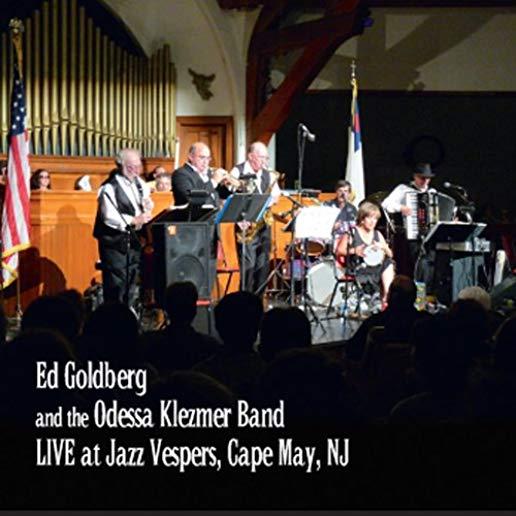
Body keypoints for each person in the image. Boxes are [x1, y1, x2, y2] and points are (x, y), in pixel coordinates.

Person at [93, 148, 153, 307]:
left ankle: (129, 314)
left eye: (138, 166)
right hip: (114, 243)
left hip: (134, 240)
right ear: (120, 165)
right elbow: (109, 216)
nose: (136, 170)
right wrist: (134, 219)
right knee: (117, 285)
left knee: (132, 282)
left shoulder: (140, 183)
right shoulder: (109, 188)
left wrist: (147, 206)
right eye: (131, 166)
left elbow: (145, 201)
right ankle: (115, 316)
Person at [228, 141, 281, 295]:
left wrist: (266, 202)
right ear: (251, 156)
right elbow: (229, 196)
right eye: (262, 157)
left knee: (262, 266)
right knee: (248, 267)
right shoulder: (237, 171)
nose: (265, 161)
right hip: (245, 225)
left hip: (263, 224)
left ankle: (259, 299)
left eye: (266, 158)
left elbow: (276, 195)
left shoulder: (268, 174)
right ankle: (245, 300)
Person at [381, 162, 435, 278]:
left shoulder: (432, 193)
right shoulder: (404, 189)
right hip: (411, 236)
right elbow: (385, 204)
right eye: (422, 178)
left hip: (430, 237)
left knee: (429, 266)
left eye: (428, 178)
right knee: (414, 266)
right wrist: (401, 208)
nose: (425, 181)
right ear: (415, 176)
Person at [336, 201, 395, 305]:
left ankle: (386, 297)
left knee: (388, 262)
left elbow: (390, 254)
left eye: (375, 219)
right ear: (362, 219)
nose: (373, 222)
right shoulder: (352, 232)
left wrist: (383, 247)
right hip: (359, 268)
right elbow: (339, 251)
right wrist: (355, 250)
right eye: (370, 218)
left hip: (375, 268)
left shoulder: (377, 234)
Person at [172, 142, 227, 207]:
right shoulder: (181, 174)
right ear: (191, 157)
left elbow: (222, 195)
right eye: (202, 157)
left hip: (215, 212)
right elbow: (190, 199)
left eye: (208, 158)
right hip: (194, 213)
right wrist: (214, 181)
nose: (206, 162)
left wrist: (227, 185)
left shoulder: (209, 173)